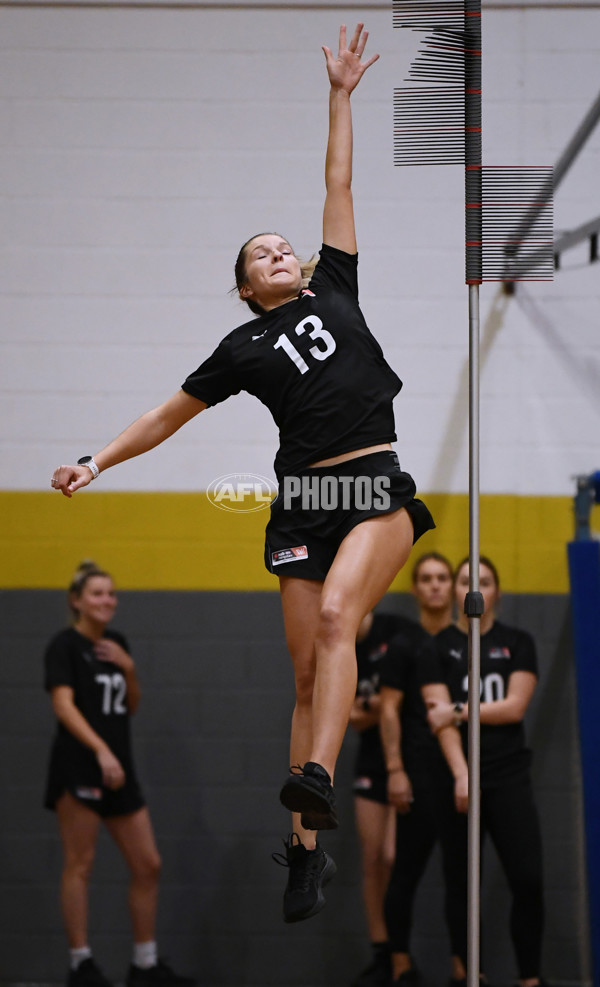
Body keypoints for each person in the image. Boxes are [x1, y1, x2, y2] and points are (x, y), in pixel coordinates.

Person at [50, 24, 434, 925]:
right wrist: (95, 459)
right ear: (245, 287)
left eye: (283, 246)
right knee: (304, 679)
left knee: (342, 617)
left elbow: (338, 182)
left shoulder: (334, 285)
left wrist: (340, 95)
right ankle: (305, 856)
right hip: (302, 500)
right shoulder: (241, 345)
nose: (278, 252)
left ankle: (315, 778)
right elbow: (166, 415)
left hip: (370, 484)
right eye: (260, 254)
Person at [44, 561, 195, 987]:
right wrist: (100, 750)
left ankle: (144, 964)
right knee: (81, 864)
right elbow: (63, 705)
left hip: (119, 768)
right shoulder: (65, 646)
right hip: (80, 766)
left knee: (148, 864)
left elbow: (131, 705)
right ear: (76, 600)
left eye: (111, 593)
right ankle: (81, 964)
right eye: (97, 593)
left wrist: (129, 669)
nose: (107, 600)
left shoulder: (116, 644)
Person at [420, 557, 547, 987]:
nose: (475, 589)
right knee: (461, 883)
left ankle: (530, 978)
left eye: (485, 582)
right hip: (457, 778)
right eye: (465, 581)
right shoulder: (436, 648)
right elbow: (438, 723)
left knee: (528, 879)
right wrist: (461, 773)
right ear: (458, 592)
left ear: (495, 592)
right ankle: (467, 974)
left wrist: (457, 709)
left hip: (508, 776)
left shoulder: (518, 642)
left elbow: (514, 708)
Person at [375, 553, 461, 987]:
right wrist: (395, 769)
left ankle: (464, 967)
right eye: (425, 578)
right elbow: (388, 708)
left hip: (459, 774)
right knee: (404, 869)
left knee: (460, 874)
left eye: (442, 578)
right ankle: (401, 964)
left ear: (453, 586)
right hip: (417, 769)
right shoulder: (404, 644)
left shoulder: (466, 642)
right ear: (414, 588)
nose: (434, 586)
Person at [348, 608, 415, 987]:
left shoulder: (398, 631)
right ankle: (382, 950)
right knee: (372, 859)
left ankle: (402, 952)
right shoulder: (340, 644)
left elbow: (400, 700)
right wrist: (374, 708)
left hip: (405, 757)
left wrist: (374, 707)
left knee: (393, 856)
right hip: (369, 760)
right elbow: (351, 716)